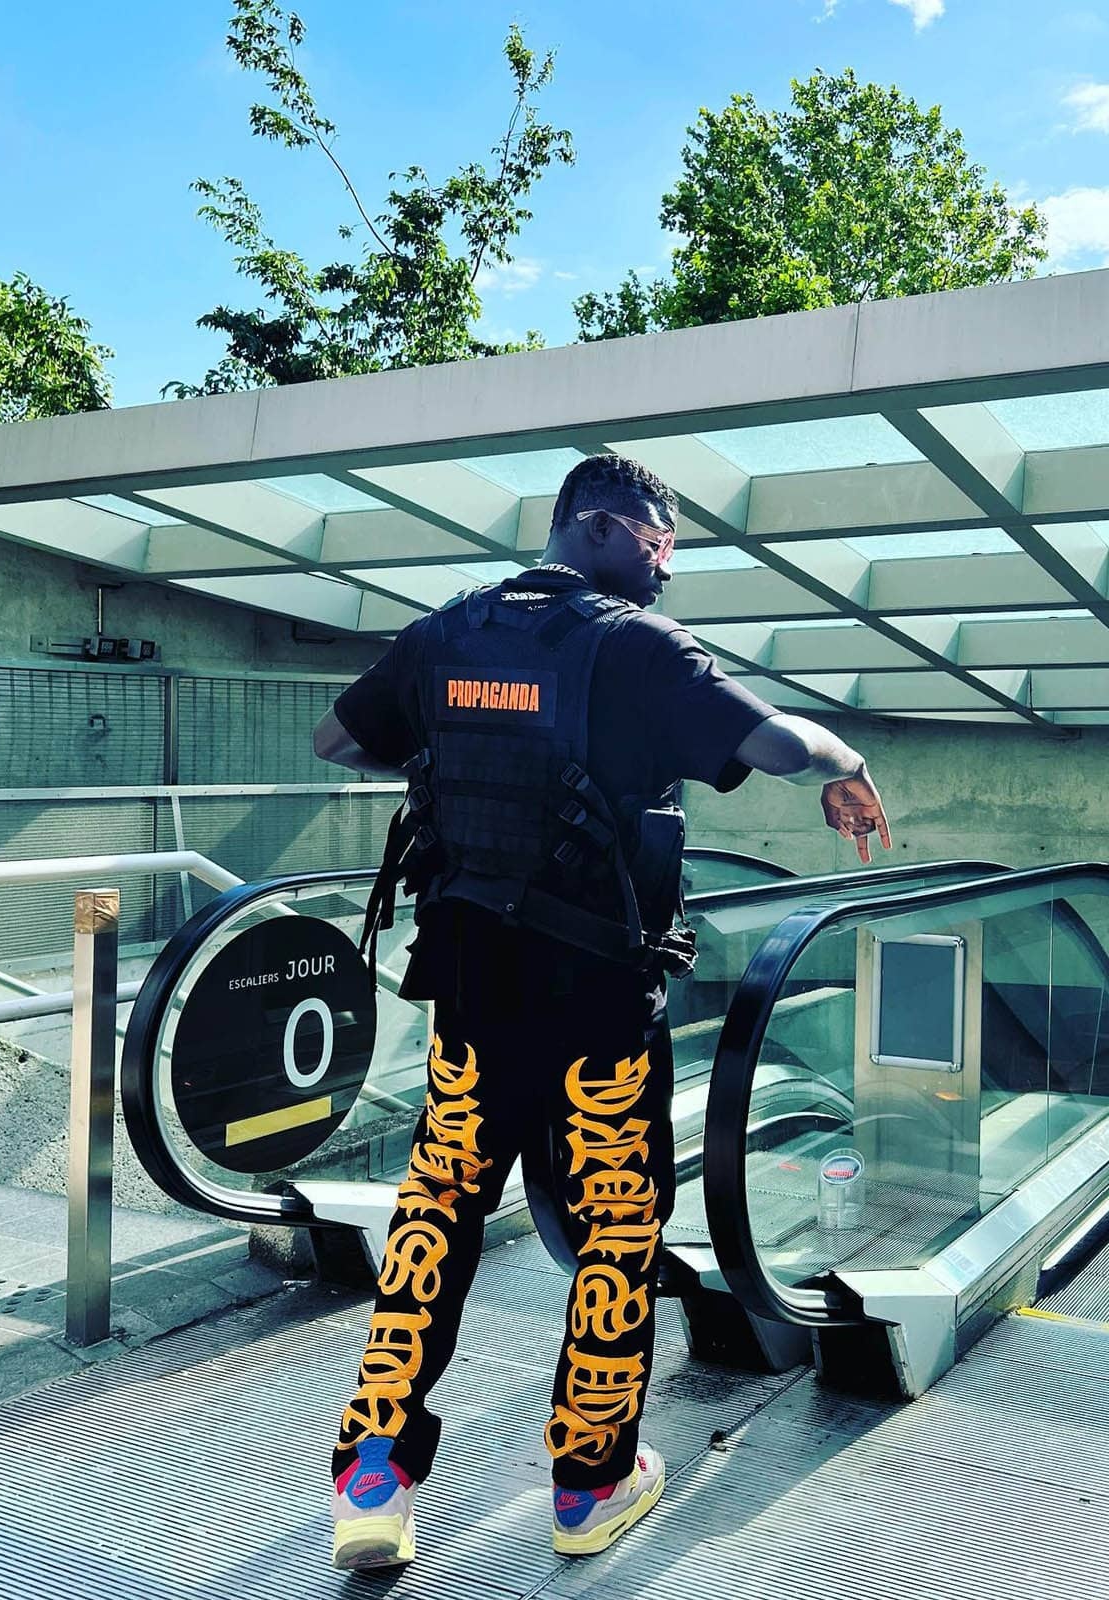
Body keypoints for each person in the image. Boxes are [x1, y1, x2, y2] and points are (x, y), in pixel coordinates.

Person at [314, 453, 891, 1571]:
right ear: (599, 527)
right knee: (617, 1228)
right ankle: (589, 1485)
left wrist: (459, 751)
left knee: (438, 1211)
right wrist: (848, 758)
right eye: (659, 542)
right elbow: (778, 744)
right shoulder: (635, 647)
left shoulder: (447, 631)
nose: (668, 567)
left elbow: (337, 739)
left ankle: (373, 1478)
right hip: (597, 1007)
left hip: (470, 993)